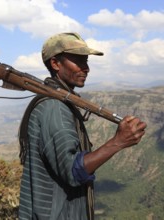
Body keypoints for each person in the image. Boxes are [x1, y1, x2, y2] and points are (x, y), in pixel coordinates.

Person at [18, 32, 147, 220]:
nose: (86, 68)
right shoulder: (54, 108)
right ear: (55, 63)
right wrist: (118, 142)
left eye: (86, 62)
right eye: (78, 62)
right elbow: (72, 171)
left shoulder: (60, 101)